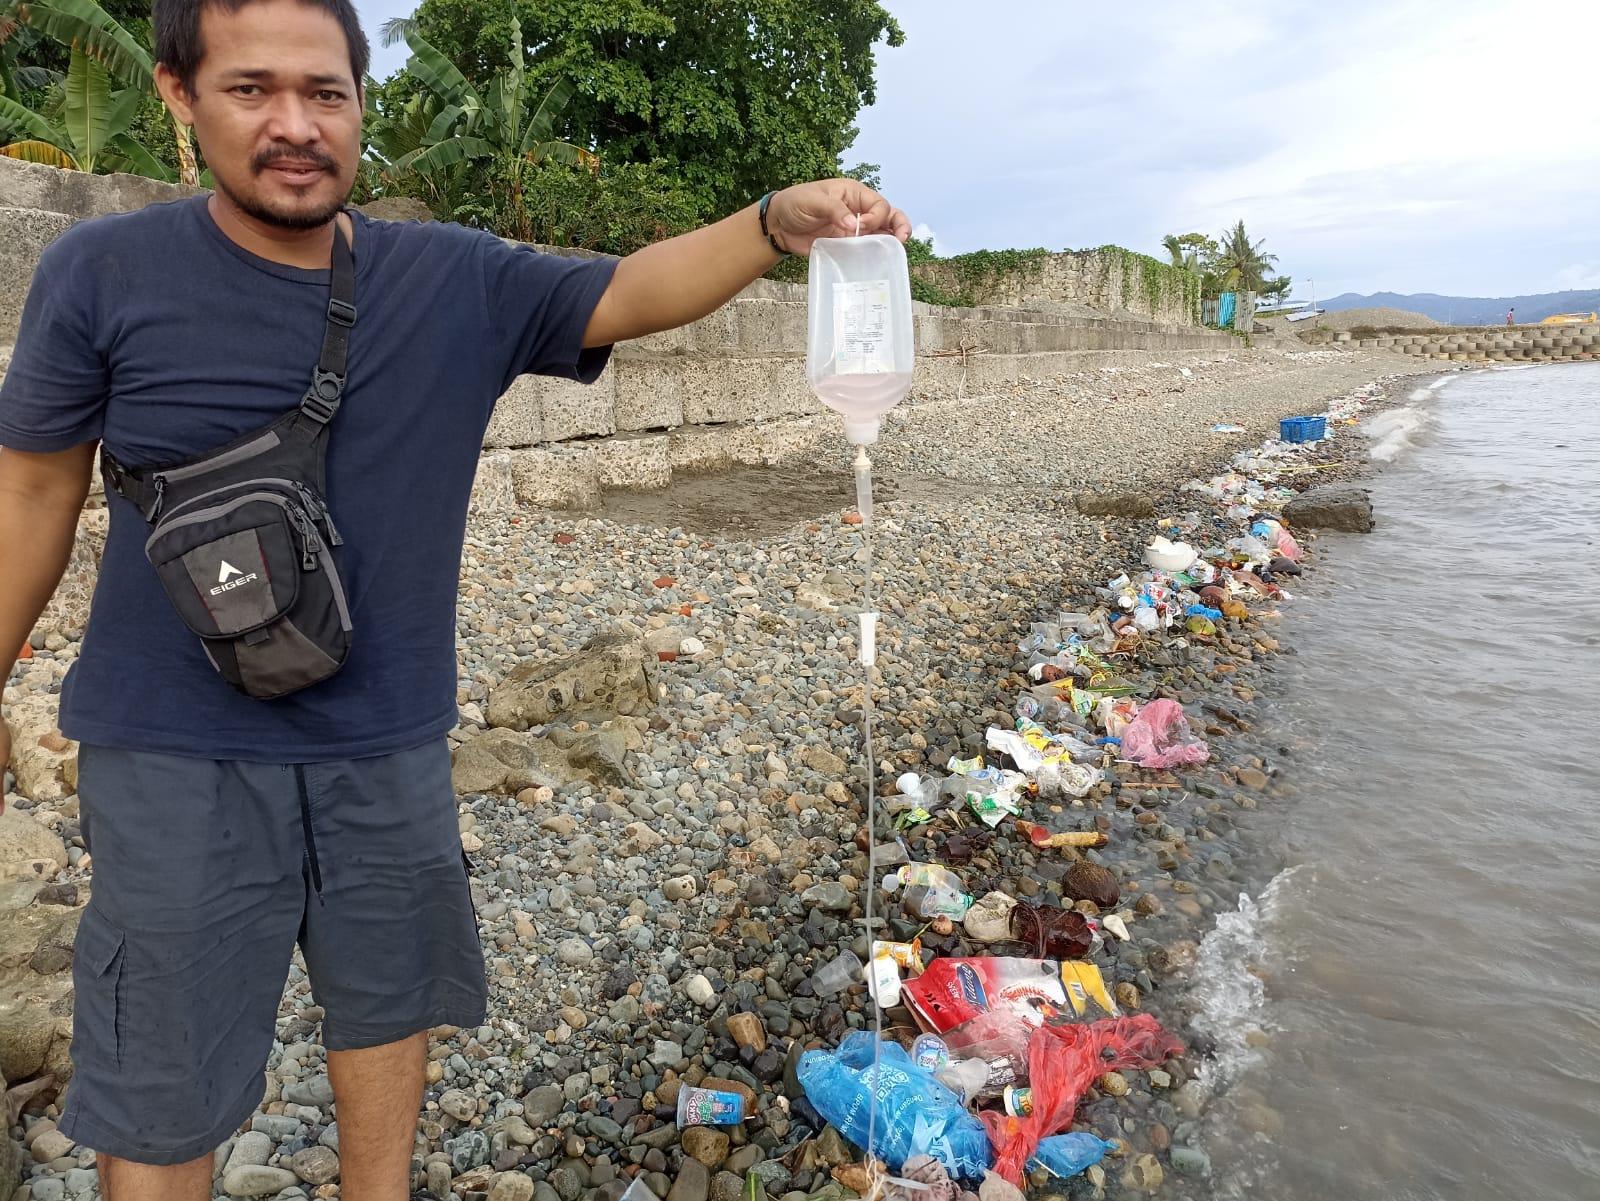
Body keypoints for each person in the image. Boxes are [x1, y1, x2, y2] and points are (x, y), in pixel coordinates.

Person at [0, 0, 911, 1195]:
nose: (294, 125)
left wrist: (769, 222)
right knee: (161, 1072)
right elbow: (31, 495)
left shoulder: (454, 279)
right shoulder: (100, 272)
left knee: (386, 1003)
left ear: (361, 102)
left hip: (387, 739)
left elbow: (633, 290)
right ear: (179, 93)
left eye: (325, 93)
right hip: (171, 751)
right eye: (251, 90)